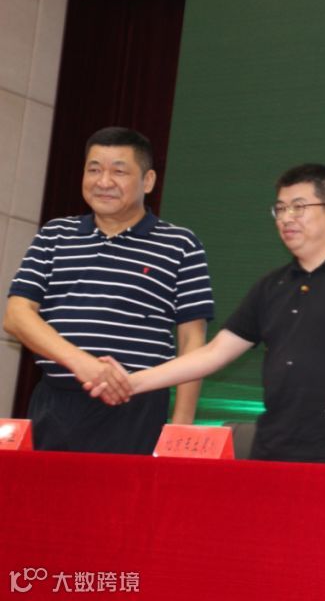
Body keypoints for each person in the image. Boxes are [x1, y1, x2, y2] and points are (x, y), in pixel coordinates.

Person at [89, 164, 325, 465]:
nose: (286, 218)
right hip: (272, 450)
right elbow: (214, 353)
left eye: (299, 207)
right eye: (280, 209)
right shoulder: (272, 286)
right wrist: (132, 382)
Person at [3, 127, 214, 453]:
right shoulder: (54, 235)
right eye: (94, 170)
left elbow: (192, 341)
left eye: (119, 171)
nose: (103, 182)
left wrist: (181, 426)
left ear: (148, 181)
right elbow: (16, 316)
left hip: (137, 410)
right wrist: (82, 363)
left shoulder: (180, 244)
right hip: (55, 405)